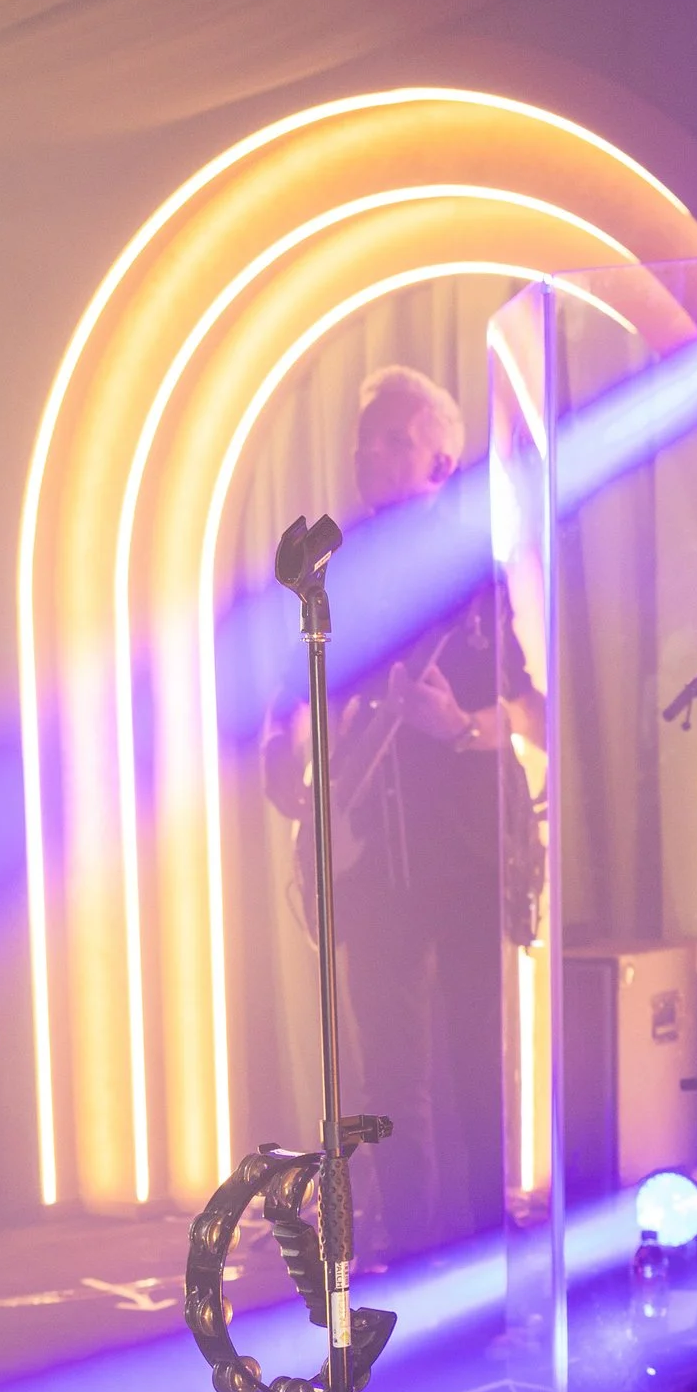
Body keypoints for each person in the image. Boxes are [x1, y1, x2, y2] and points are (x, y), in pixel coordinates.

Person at [263, 366, 544, 1256]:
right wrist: (286, 750)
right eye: (362, 438)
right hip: (366, 851)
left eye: (391, 437)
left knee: (472, 1061)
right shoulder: (328, 573)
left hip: (464, 850)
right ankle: (417, 1253)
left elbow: (539, 708)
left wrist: (460, 724)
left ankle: (483, 1253)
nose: (366, 453)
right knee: (387, 1071)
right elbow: (297, 696)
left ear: (440, 458)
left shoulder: (479, 572)